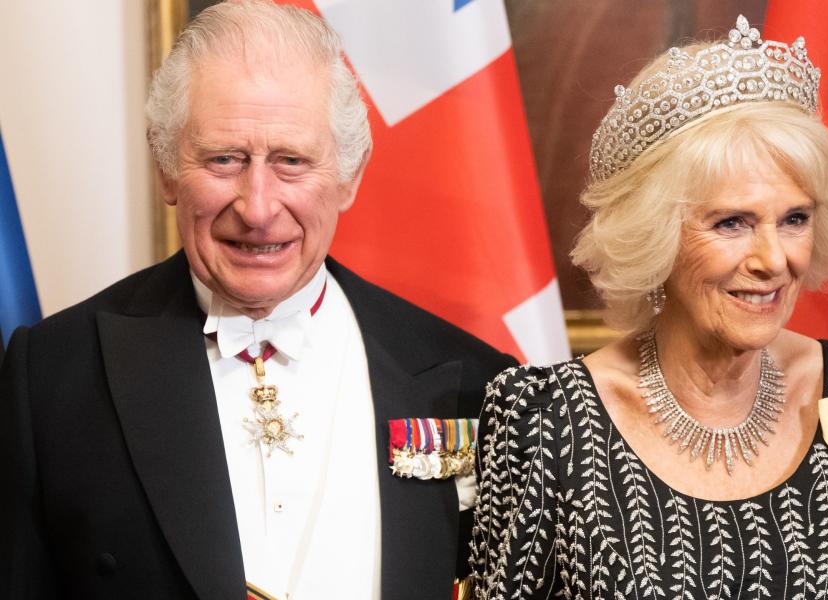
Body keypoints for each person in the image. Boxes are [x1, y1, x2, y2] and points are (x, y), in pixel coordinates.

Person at [0, 1, 514, 599]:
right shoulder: (53, 376)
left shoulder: (480, 385)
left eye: (291, 162)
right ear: (167, 168)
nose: (258, 207)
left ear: (351, 173)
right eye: (225, 159)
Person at [470, 16, 828, 599]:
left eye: (794, 219)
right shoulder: (545, 421)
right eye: (732, 223)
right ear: (656, 236)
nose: (773, 259)